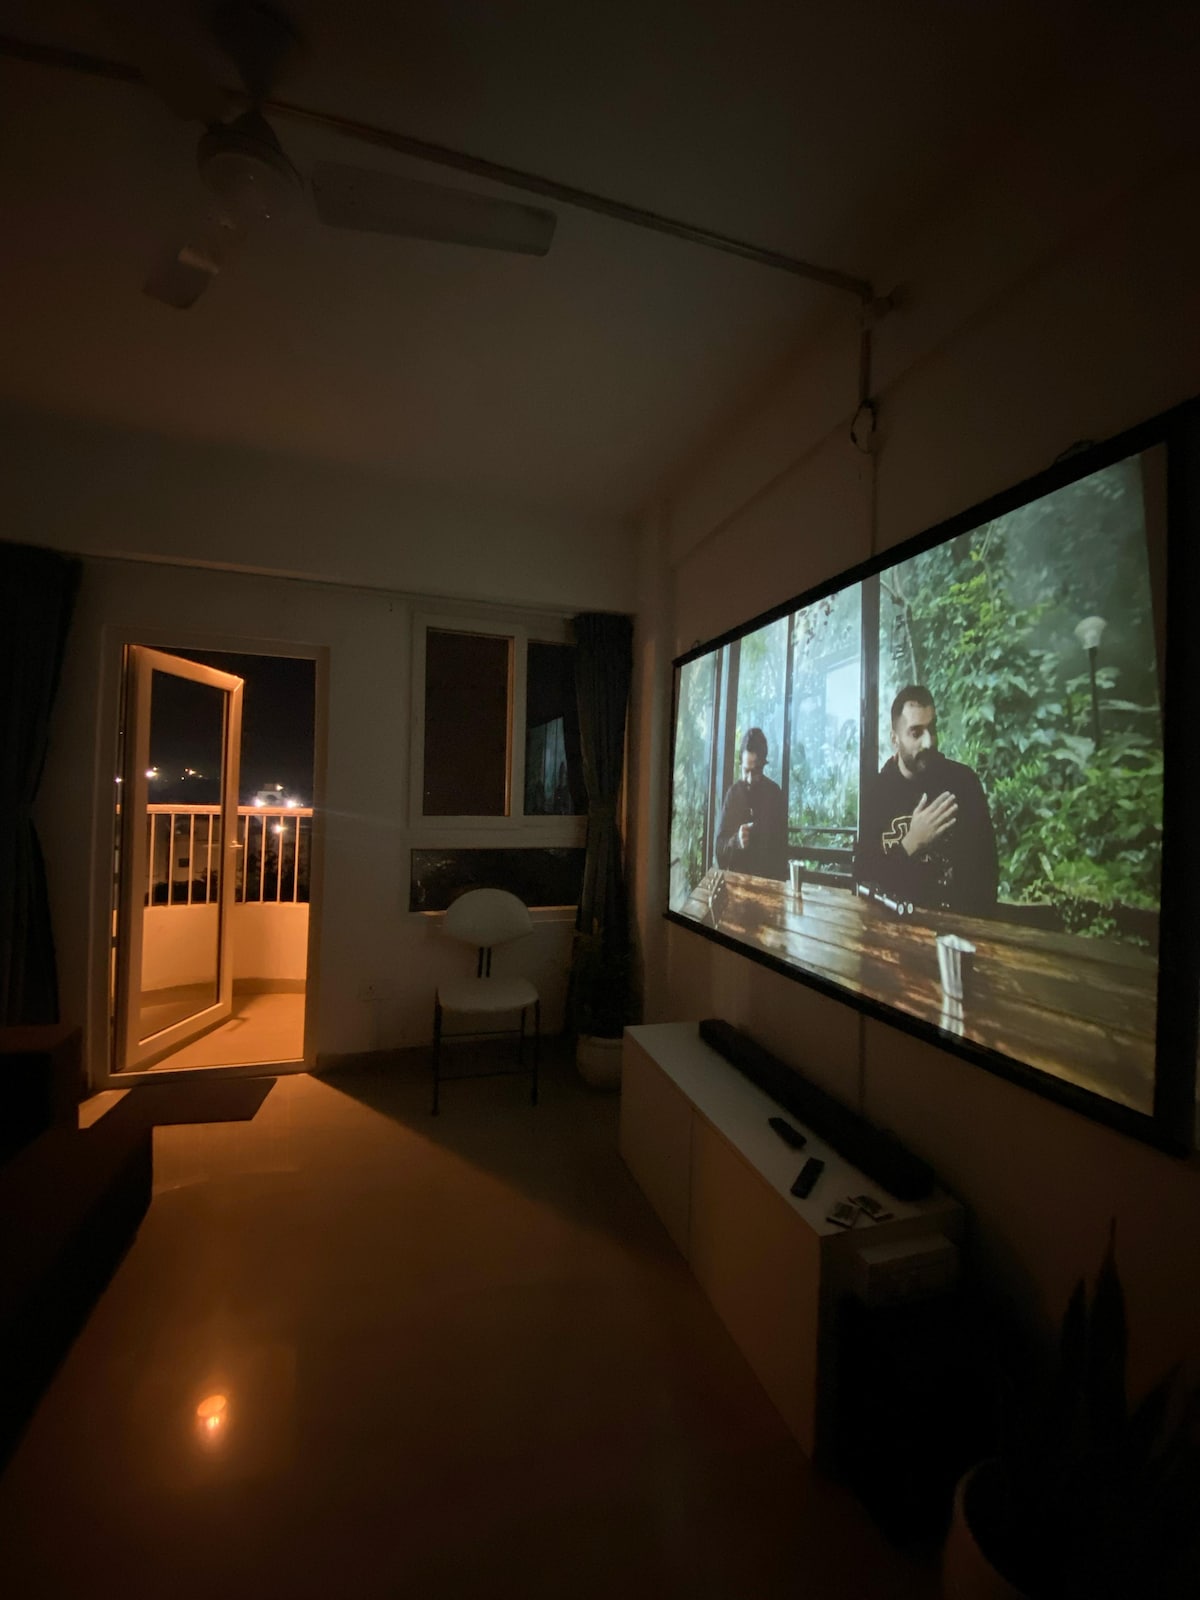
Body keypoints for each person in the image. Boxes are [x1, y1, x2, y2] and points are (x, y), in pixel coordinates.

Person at [856, 686, 998, 914]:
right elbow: (864, 878)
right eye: (916, 733)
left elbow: (986, 875)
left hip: (955, 925)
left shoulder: (963, 783)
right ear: (895, 739)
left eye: (931, 729)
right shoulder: (877, 793)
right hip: (895, 924)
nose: (928, 742)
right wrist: (911, 842)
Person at [714, 726, 789, 881]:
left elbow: (782, 853)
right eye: (745, 771)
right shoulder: (733, 794)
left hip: (769, 884)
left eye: (754, 772)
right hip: (738, 884)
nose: (749, 778)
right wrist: (736, 842)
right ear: (740, 764)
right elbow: (719, 849)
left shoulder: (775, 794)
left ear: (763, 765)